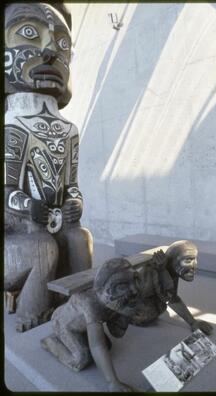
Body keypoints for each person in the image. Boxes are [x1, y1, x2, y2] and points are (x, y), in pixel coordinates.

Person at [4, 3, 93, 332]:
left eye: (63, 44)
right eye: (29, 33)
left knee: (80, 237)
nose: (51, 53)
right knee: (42, 246)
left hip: (52, 223)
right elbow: (6, 190)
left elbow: (71, 183)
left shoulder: (69, 130)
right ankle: (33, 313)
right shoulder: (11, 123)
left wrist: (75, 203)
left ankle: (83, 305)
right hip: (19, 235)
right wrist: (29, 207)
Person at [41, 258, 141, 392]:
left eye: (134, 281)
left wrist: (126, 313)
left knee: (107, 347)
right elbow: (97, 345)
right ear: (106, 288)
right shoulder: (91, 304)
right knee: (82, 359)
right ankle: (50, 342)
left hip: (84, 325)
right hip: (63, 324)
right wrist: (112, 382)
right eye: (122, 286)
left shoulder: (111, 299)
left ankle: (78, 339)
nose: (134, 290)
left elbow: (117, 332)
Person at [130, 240, 213, 335]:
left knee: (159, 307)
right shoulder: (149, 271)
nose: (194, 266)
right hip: (134, 305)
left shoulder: (172, 268)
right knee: (148, 314)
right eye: (188, 260)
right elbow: (168, 297)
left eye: (195, 259)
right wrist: (161, 272)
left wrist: (193, 322)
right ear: (172, 261)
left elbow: (171, 298)